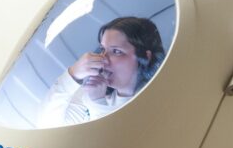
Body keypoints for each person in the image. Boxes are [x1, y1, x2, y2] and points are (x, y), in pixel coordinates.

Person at [37, 16, 165, 127]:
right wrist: (72, 75)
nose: (103, 58)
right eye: (102, 49)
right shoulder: (94, 91)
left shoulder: (156, 107)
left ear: (145, 57)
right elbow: (47, 127)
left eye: (116, 51)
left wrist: (97, 103)